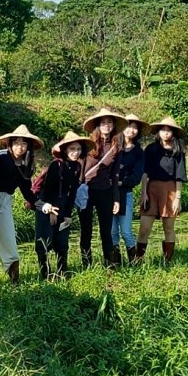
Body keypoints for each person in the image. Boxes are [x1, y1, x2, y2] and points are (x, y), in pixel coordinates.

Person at [0, 124, 42, 286]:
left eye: (24, 143)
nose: (20, 147)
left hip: (6, 201)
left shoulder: (25, 165)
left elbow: (27, 190)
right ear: (10, 143)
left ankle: (14, 281)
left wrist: (40, 204)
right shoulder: (1, 157)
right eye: (17, 142)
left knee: (9, 237)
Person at [34, 131, 91, 280]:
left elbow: (72, 193)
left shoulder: (77, 166)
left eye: (78, 149)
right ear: (65, 149)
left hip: (63, 205)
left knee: (62, 242)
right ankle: (45, 276)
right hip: (47, 205)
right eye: (72, 149)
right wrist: (51, 211)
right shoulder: (56, 165)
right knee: (44, 242)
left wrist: (68, 215)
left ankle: (62, 273)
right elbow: (47, 190)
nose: (75, 152)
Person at [137, 116, 188, 266]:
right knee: (144, 228)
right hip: (151, 188)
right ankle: (138, 260)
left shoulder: (178, 151)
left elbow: (180, 176)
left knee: (168, 227)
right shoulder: (151, 149)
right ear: (158, 132)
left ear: (173, 133)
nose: (166, 133)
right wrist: (143, 192)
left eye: (169, 130)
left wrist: (178, 198)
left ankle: (168, 260)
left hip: (170, 189)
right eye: (163, 130)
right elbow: (145, 173)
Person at [78, 108, 125, 268]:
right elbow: (80, 169)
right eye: (103, 122)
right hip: (87, 192)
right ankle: (87, 265)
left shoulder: (115, 147)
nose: (106, 125)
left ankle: (109, 264)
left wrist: (116, 199)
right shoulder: (88, 145)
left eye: (109, 122)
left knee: (106, 231)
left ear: (113, 125)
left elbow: (115, 175)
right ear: (98, 125)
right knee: (86, 231)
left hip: (105, 192)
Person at [109, 114, 147, 267]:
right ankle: (115, 263)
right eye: (129, 126)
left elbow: (136, 177)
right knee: (112, 232)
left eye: (135, 127)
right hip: (110, 194)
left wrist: (119, 181)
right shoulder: (113, 147)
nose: (131, 130)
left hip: (126, 193)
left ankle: (136, 262)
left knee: (126, 231)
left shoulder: (138, 151)